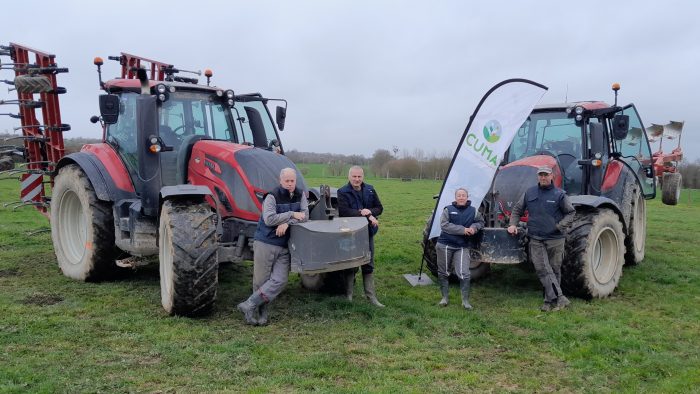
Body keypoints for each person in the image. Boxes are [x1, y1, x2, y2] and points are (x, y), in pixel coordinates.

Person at [237, 167, 308, 325]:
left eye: (292, 181)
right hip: (266, 242)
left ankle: (248, 304)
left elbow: (305, 216)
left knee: (280, 280)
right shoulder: (271, 196)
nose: (290, 184)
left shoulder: (300, 194)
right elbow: (269, 219)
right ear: (280, 180)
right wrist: (291, 214)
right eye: (287, 181)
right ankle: (258, 312)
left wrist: (287, 223)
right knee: (261, 280)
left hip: (284, 245)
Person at [507, 165, 575, 312]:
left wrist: (559, 226)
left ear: (552, 176)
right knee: (542, 269)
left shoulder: (560, 194)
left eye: (546, 175)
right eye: (541, 175)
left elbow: (571, 213)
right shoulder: (529, 193)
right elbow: (517, 210)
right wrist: (512, 224)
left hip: (555, 239)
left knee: (554, 269)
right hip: (536, 238)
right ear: (538, 177)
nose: (543, 177)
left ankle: (548, 301)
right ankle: (560, 298)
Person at [337, 166, 385, 307]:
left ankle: (371, 297)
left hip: (367, 232)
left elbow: (379, 208)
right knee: (351, 264)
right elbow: (344, 211)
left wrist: (370, 211)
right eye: (354, 177)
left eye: (359, 177)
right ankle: (349, 296)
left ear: (363, 177)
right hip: (351, 233)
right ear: (349, 177)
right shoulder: (342, 192)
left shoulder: (370, 189)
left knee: (368, 263)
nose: (357, 179)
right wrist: (364, 213)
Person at [435, 188, 484, 310]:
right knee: (443, 272)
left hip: (462, 246)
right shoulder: (448, 210)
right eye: (459, 195)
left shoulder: (473, 211)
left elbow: (480, 222)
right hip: (445, 245)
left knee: (464, 273)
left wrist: (474, 227)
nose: (461, 197)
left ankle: (465, 301)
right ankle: (444, 298)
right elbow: (444, 225)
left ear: (467, 197)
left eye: (463, 195)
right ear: (455, 197)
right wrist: (463, 230)